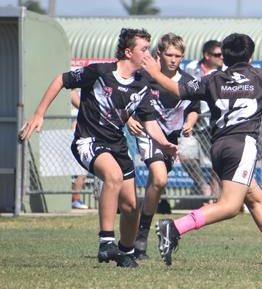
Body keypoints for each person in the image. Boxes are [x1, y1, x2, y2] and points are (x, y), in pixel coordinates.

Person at [142, 32, 262, 270]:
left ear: (225, 57)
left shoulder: (212, 79)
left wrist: (155, 73)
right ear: (251, 55)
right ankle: (175, 228)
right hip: (242, 146)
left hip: (219, 147)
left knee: (257, 201)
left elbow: (180, 90)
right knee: (231, 206)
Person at [19, 28, 178, 268]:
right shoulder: (100, 72)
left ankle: (124, 251)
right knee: (112, 176)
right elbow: (61, 80)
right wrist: (39, 113)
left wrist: (163, 143)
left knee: (131, 206)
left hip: (117, 145)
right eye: (144, 49)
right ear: (128, 52)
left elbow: (150, 123)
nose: (149, 54)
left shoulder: (143, 84)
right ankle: (105, 243)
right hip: (88, 141)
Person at [126, 33, 202, 259]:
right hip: (147, 135)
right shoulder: (144, 76)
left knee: (155, 185)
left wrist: (189, 123)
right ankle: (138, 238)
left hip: (170, 140)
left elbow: (194, 107)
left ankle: (138, 239)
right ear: (158, 54)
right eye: (169, 54)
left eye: (178, 56)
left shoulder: (188, 81)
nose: (173, 59)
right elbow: (124, 101)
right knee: (159, 178)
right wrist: (128, 119)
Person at [184, 39, 224, 199]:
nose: (221, 57)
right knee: (186, 157)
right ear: (206, 55)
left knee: (217, 163)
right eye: (217, 54)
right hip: (192, 121)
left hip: (212, 123)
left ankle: (216, 199)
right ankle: (203, 187)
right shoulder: (190, 67)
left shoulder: (223, 71)